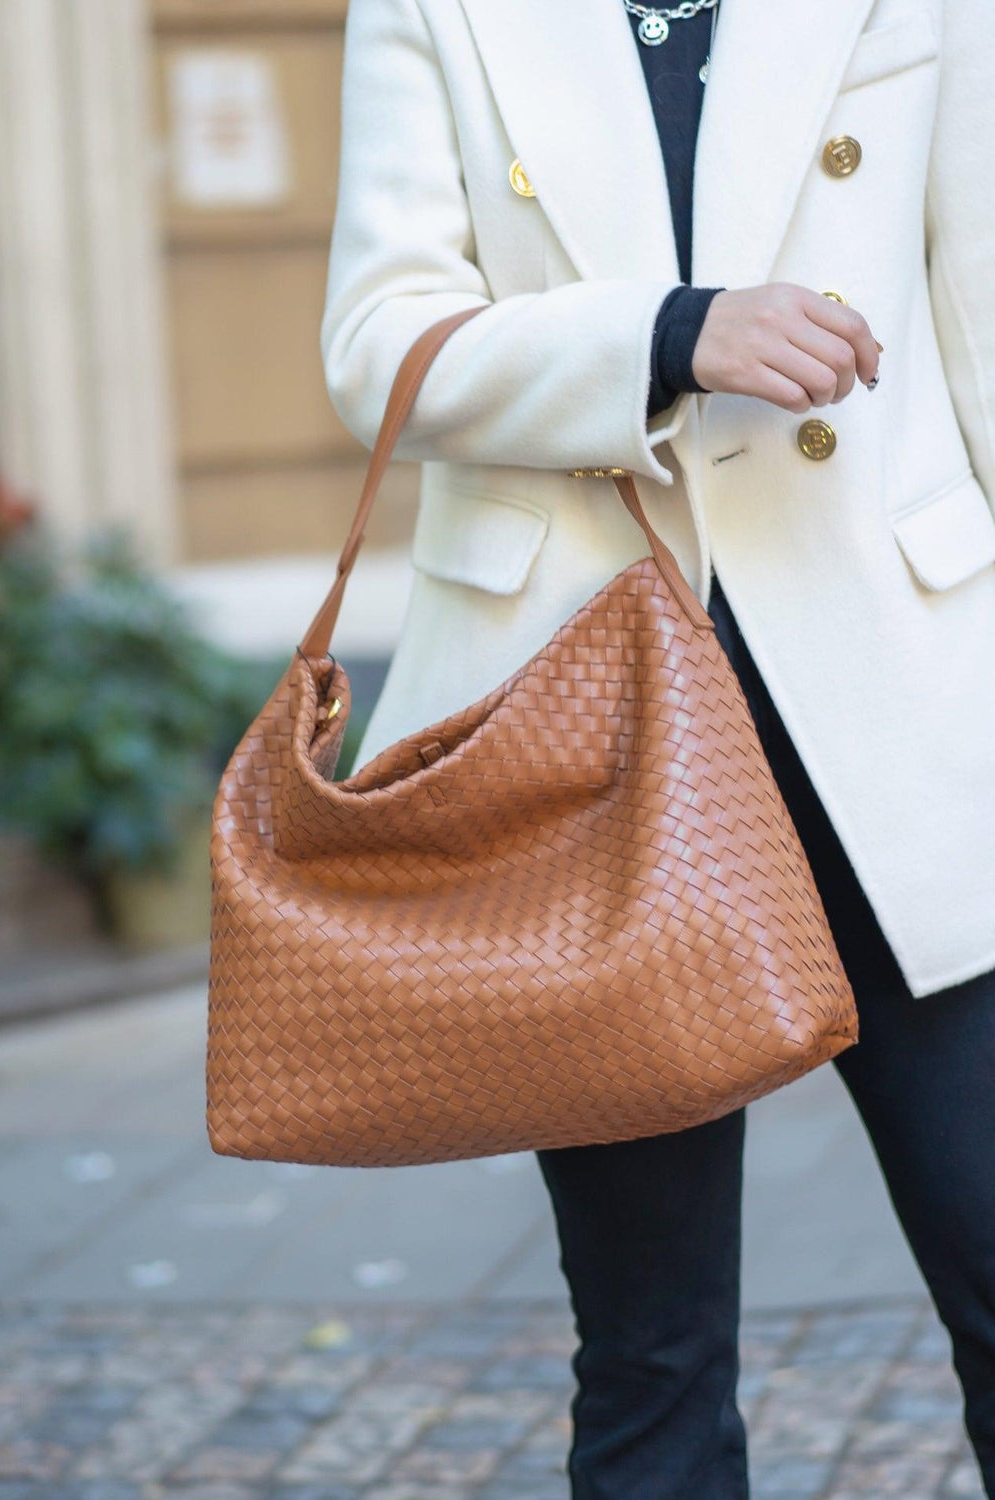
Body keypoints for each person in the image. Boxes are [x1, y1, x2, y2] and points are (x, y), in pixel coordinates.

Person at [320, 1, 995, 1494]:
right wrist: (670, 334)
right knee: (650, 1354)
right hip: (588, 735)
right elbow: (377, 348)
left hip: (906, 703)